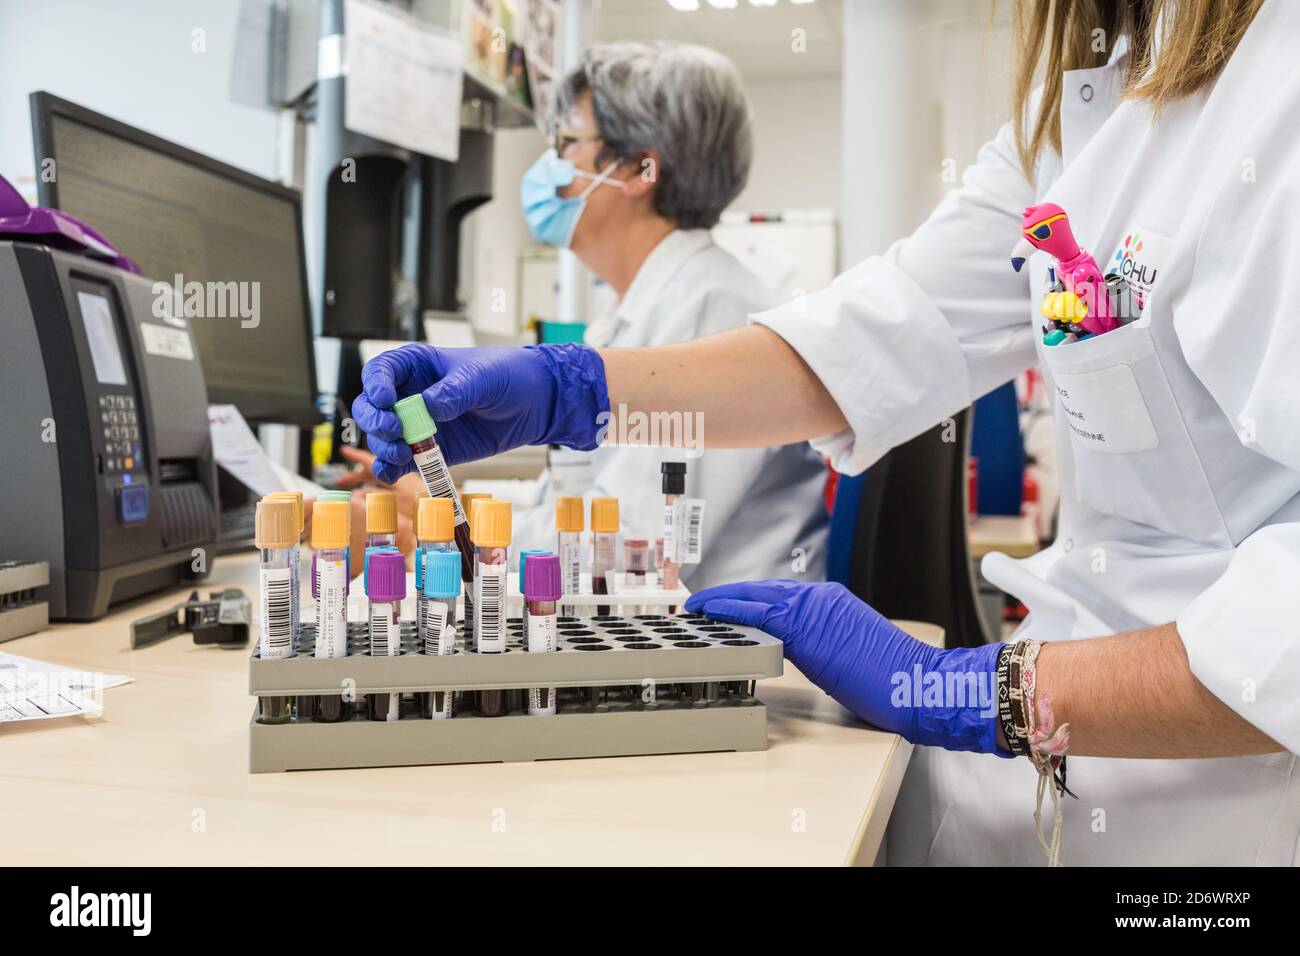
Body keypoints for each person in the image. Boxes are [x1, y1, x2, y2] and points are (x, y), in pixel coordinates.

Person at [353, 0, 1299, 866]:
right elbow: (878, 330)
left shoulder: (1278, 85)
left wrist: (978, 690)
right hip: (1053, 754)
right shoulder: (1076, 108)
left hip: (1215, 803)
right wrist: (575, 387)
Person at [342, 41, 828, 589]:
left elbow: (628, 551)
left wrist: (441, 529)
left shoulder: (713, 306)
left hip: (728, 652)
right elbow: (580, 497)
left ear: (639, 168)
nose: (552, 165)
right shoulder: (641, 305)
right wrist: (443, 499)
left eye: (568, 142)